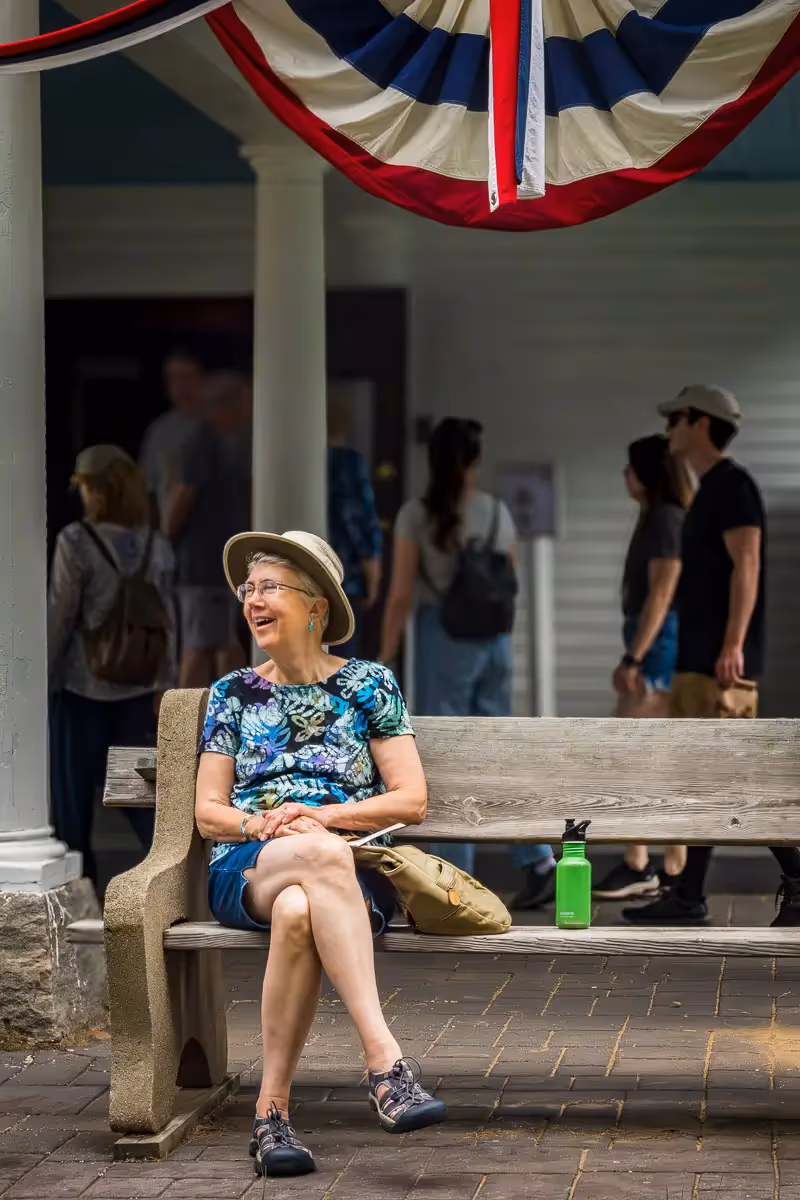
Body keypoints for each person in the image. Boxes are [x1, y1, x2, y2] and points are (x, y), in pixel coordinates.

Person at [196, 530, 448, 1178]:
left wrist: (323, 817)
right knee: (316, 861)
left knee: (299, 909)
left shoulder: (370, 684)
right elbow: (207, 811)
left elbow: (411, 799)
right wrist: (262, 825)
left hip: (345, 868)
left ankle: (270, 1118)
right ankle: (386, 1065)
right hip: (250, 864)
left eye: (269, 587)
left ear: (316, 606)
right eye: (248, 590)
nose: (253, 600)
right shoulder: (231, 694)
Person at [623, 384, 800, 927]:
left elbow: (748, 564)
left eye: (675, 418)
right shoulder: (709, 490)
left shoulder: (733, 486)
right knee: (705, 776)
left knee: (731, 779)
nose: (669, 429)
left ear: (700, 422)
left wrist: (733, 645)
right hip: (698, 657)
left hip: (718, 662)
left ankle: (792, 876)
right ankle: (690, 892)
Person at [379, 418, 556, 909]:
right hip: (494, 643)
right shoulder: (497, 512)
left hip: (445, 638)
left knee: (447, 758)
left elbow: (399, 594)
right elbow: (507, 583)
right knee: (497, 752)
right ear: (475, 461)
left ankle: (455, 880)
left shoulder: (416, 514)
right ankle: (539, 861)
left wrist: (387, 651)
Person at [48, 445, 176, 885]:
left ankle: (78, 889)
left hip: (83, 684)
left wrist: (41, 680)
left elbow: (61, 615)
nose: (80, 496)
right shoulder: (155, 545)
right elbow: (167, 620)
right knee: (139, 789)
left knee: (72, 796)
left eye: (84, 488)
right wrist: (165, 683)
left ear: (99, 492)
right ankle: (165, 876)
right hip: (139, 687)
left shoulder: (76, 541)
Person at [593, 435, 692, 901]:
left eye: (630, 468)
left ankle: (653, 865)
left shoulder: (668, 518)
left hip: (659, 645)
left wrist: (635, 657)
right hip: (651, 639)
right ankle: (656, 865)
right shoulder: (656, 516)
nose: (623, 476)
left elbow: (663, 592)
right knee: (648, 754)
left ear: (647, 473)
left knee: (638, 753)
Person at [162, 370, 251, 687]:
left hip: (218, 567)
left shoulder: (226, 445)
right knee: (200, 647)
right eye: (241, 404)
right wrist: (164, 541)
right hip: (202, 567)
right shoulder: (201, 443)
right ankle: (187, 729)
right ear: (222, 407)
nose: (246, 413)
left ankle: (230, 718)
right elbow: (182, 497)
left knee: (221, 643)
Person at [326, 392, 383, 658]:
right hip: (344, 574)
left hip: (303, 573)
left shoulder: (297, 463)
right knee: (341, 657)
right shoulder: (348, 462)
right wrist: (372, 570)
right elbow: (359, 519)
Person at [139, 347, 205, 523]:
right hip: (168, 541)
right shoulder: (160, 431)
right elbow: (147, 488)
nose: (181, 387)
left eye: (187, 378)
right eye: (173, 379)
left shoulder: (220, 425)